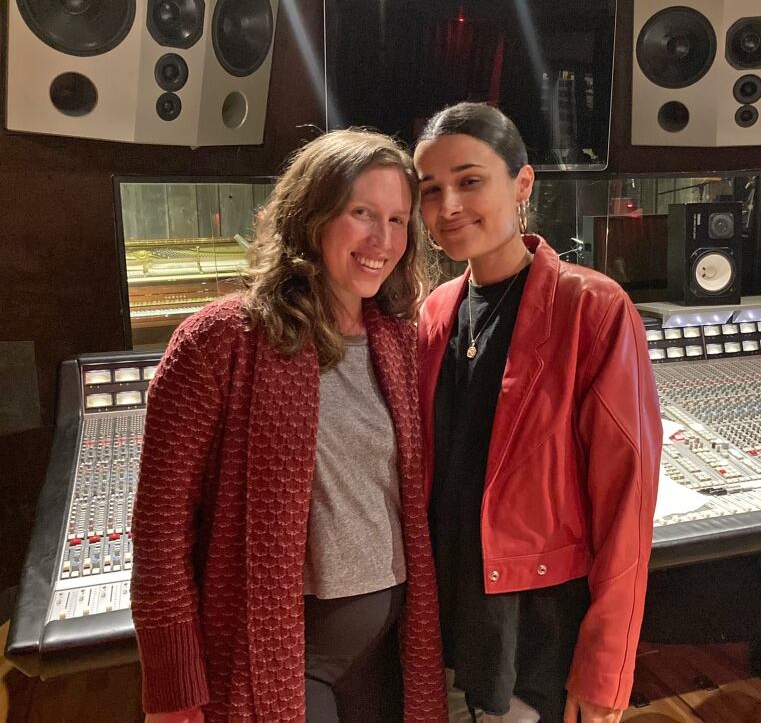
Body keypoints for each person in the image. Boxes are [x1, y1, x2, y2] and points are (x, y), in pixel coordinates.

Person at [131, 129, 448, 723]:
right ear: (311, 216)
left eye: (399, 220)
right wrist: (173, 691)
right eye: (362, 213)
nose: (383, 240)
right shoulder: (217, 342)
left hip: (386, 657)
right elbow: (158, 531)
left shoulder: (399, 342)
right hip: (282, 666)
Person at [413, 102, 662, 723]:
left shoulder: (593, 308)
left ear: (522, 184)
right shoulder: (435, 311)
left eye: (470, 181)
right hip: (443, 616)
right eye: (430, 190)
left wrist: (606, 666)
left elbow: (626, 501)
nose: (448, 207)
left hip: (535, 632)